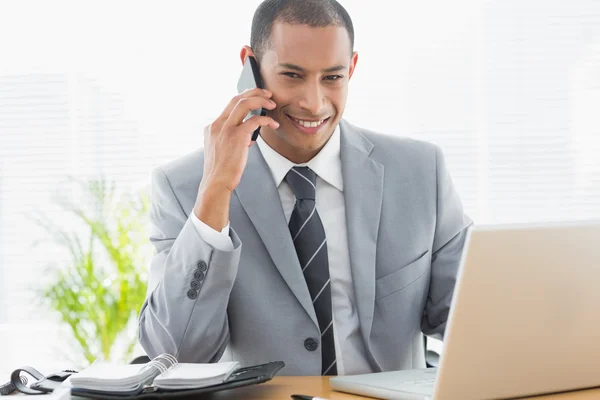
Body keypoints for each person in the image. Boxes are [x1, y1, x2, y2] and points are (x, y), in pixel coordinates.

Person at [138, 0, 472, 376]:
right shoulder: (184, 187)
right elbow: (177, 353)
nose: (314, 104)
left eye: (332, 77)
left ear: (352, 69)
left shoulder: (420, 172)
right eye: (292, 76)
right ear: (252, 67)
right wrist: (215, 192)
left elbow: (473, 324)